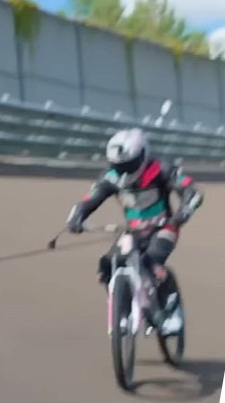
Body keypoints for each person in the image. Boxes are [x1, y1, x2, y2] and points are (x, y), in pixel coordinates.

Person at [65, 128, 204, 334]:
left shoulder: (162, 169)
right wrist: (77, 217)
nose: (124, 171)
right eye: (119, 166)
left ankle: (169, 314)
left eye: (129, 165)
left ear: (143, 154)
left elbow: (191, 192)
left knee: (153, 260)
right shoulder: (111, 177)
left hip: (165, 227)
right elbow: (90, 199)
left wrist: (182, 214)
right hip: (133, 232)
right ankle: (122, 311)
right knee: (106, 266)